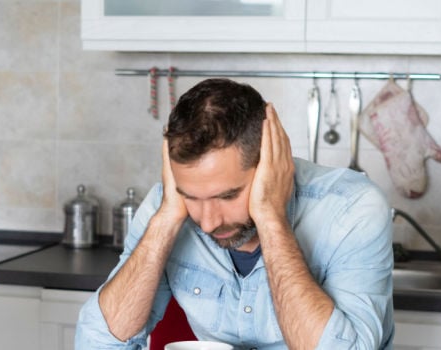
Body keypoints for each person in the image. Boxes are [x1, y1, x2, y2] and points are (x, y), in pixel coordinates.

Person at [75, 78, 394, 349]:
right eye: (192, 198)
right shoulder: (169, 203)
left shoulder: (353, 207)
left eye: (228, 196)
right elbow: (97, 342)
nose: (209, 222)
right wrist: (167, 220)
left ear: (271, 163)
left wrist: (272, 219)